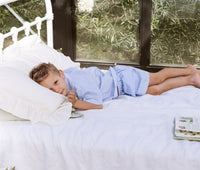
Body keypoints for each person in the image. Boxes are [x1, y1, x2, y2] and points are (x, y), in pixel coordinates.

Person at [29, 63, 200, 110]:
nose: (56, 90)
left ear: (61, 74)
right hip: (120, 87)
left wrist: (75, 103)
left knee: (157, 79)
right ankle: (190, 79)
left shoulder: (80, 83)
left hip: (123, 79)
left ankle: (187, 71)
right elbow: (65, 72)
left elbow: (97, 104)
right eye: (50, 90)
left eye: (56, 83)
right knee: (154, 91)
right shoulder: (63, 75)